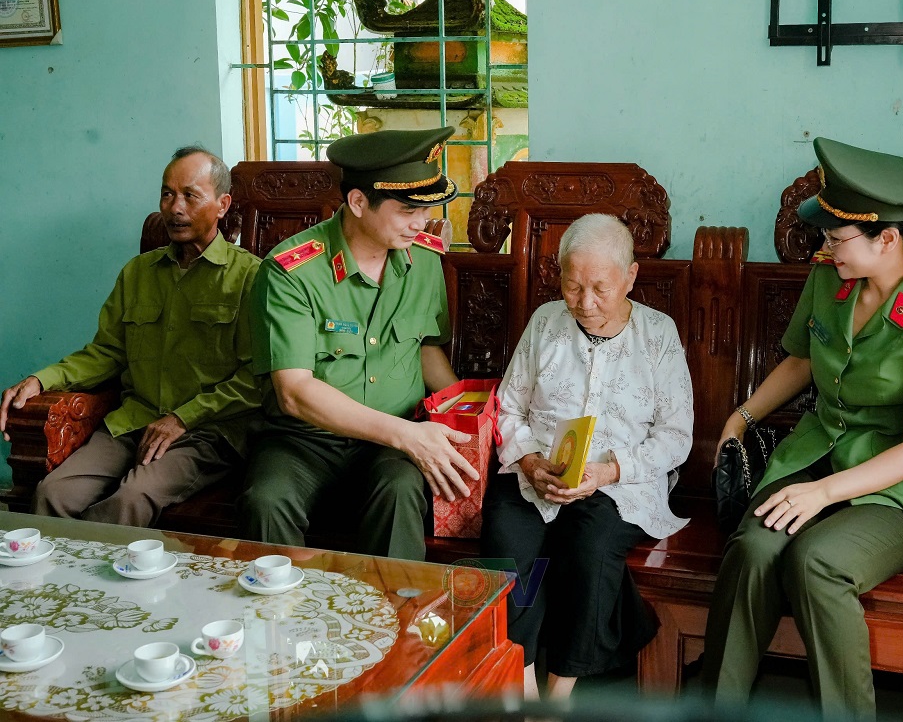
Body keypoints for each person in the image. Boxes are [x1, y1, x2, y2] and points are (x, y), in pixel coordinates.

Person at [701, 138, 903, 720]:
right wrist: (739, 418)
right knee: (753, 549)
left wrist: (824, 493)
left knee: (816, 562)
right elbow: (802, 361)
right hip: (815, 457)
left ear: (888, 239)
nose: (825, 248)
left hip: (898, 492)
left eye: (836, 238)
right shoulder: (830, 280)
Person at [238, 127, 478, 560]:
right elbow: (294, 392)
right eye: (407, 210)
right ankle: (284, 603)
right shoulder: (291, 272)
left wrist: (467, 417)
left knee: (400, 489)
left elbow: (426, 349)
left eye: (426, 210)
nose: (421, 223)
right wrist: (408, 436)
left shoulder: (424, 259)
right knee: (266, 500)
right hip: (305, 440)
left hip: (392, 444)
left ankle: (395, 603)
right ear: (358, 202)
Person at [481, 213, 695, 699]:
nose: (584, 302)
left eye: (600, 288)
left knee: (591, 548)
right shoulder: (545, 321)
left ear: (631, 276)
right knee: (508, 551)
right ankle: (522, 687)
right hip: (536, 474)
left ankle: (560, 692)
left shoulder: (657, 334)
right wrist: (530, 462)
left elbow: (675, 435)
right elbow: (509, 407)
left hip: (619, 483)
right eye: (573, 286)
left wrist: (608, 471)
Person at [0, 147, 262, 526]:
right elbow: (105, 353)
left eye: (190, 195)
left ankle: (92, 568)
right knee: (52, 495)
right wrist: (42, 380)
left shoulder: (251, 277)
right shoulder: (138, 273)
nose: (175, 208)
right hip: (132, 422)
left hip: (206, 432)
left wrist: (182, 418)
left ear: (223, 205)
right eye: (167, 194)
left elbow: (257, 377)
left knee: (129, 499)